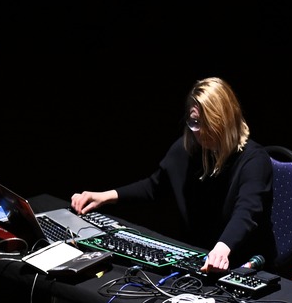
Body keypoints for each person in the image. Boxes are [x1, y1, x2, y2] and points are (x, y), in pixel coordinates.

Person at [71, 76, 277, 275]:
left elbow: (246, 212)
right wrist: (104, 196)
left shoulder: (254, 160)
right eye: (195, 122)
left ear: (227, 120)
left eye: (209, 123)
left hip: (240, 261)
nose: (200, 131)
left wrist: (222, 249)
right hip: (199, 256)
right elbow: (154, 186)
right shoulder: (187, 150)